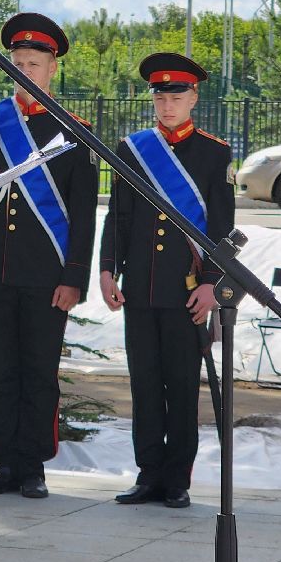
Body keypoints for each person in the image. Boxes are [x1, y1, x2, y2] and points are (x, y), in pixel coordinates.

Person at [0, 12, 98, 499]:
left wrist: (74, 277)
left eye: (34, 63)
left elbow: (84, 215)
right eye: (18, 62)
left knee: (39, 374)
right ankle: (5, 462)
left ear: (52, 70)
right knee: (0, 372)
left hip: (47, 277)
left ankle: (34, 467)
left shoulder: (74, 132)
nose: (25, 71)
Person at [99, 52, 231, 509]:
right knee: (145, 385)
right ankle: (148, 473)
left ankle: (178, 479)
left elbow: (223, 230)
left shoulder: (216, 154)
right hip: (141, 289)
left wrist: (212, 284)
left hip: (187, 291)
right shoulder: (133, 148)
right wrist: (107, 269)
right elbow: (120, 215)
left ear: (194, 96)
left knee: (180, 384)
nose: (167, 103)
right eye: (160, 94)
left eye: (176, 94)